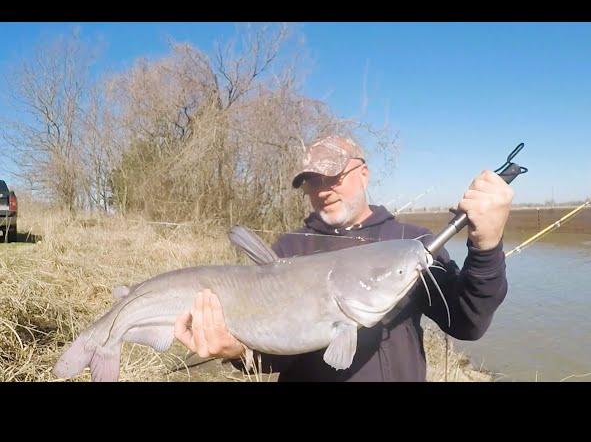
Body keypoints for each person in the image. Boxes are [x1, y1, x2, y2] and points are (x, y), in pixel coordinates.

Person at [174, 135, 513, 381]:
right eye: (312, 182)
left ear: (363, 173)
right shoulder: (290, 249)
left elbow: (468, 322)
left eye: (333, 176)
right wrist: (238, 351)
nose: (323, 190)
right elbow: (274, 356)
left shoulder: (410, 242)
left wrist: (486, 245)